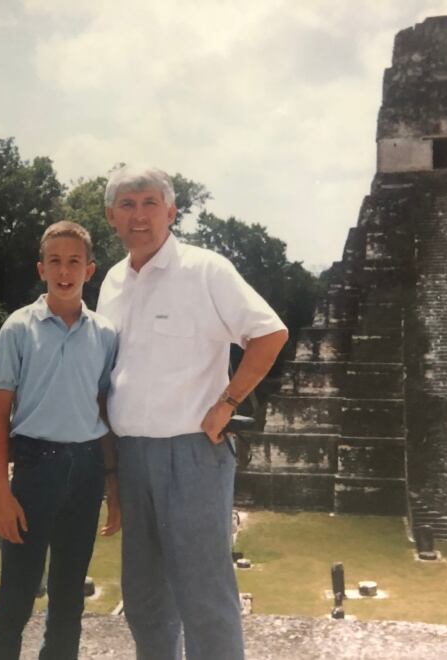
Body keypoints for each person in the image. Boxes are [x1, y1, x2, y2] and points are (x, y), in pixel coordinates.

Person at [98, 167, 288, 660]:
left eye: (149, 202)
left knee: (205, 597)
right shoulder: (113, 283)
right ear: (110, 217)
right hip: (133, 456)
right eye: (127, 204)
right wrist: (114, 473)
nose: (139, 214)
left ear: (171, 211)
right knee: (144, 600)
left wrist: (228, 402)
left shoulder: (206, 270)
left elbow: (269, 334)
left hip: (193, 455)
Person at [0, 221, 120, 660]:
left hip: (87, 471)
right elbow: (0, 414)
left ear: (90, 270)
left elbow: (103, 411)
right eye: (55, 261)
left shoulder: (105, 334)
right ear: (41, 269)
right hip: (36, 468)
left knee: (68, 603)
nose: (65, 270)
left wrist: (113, 490)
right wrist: (1, 493)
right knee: (15, 601)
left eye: (74, 261)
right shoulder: (19, 328)